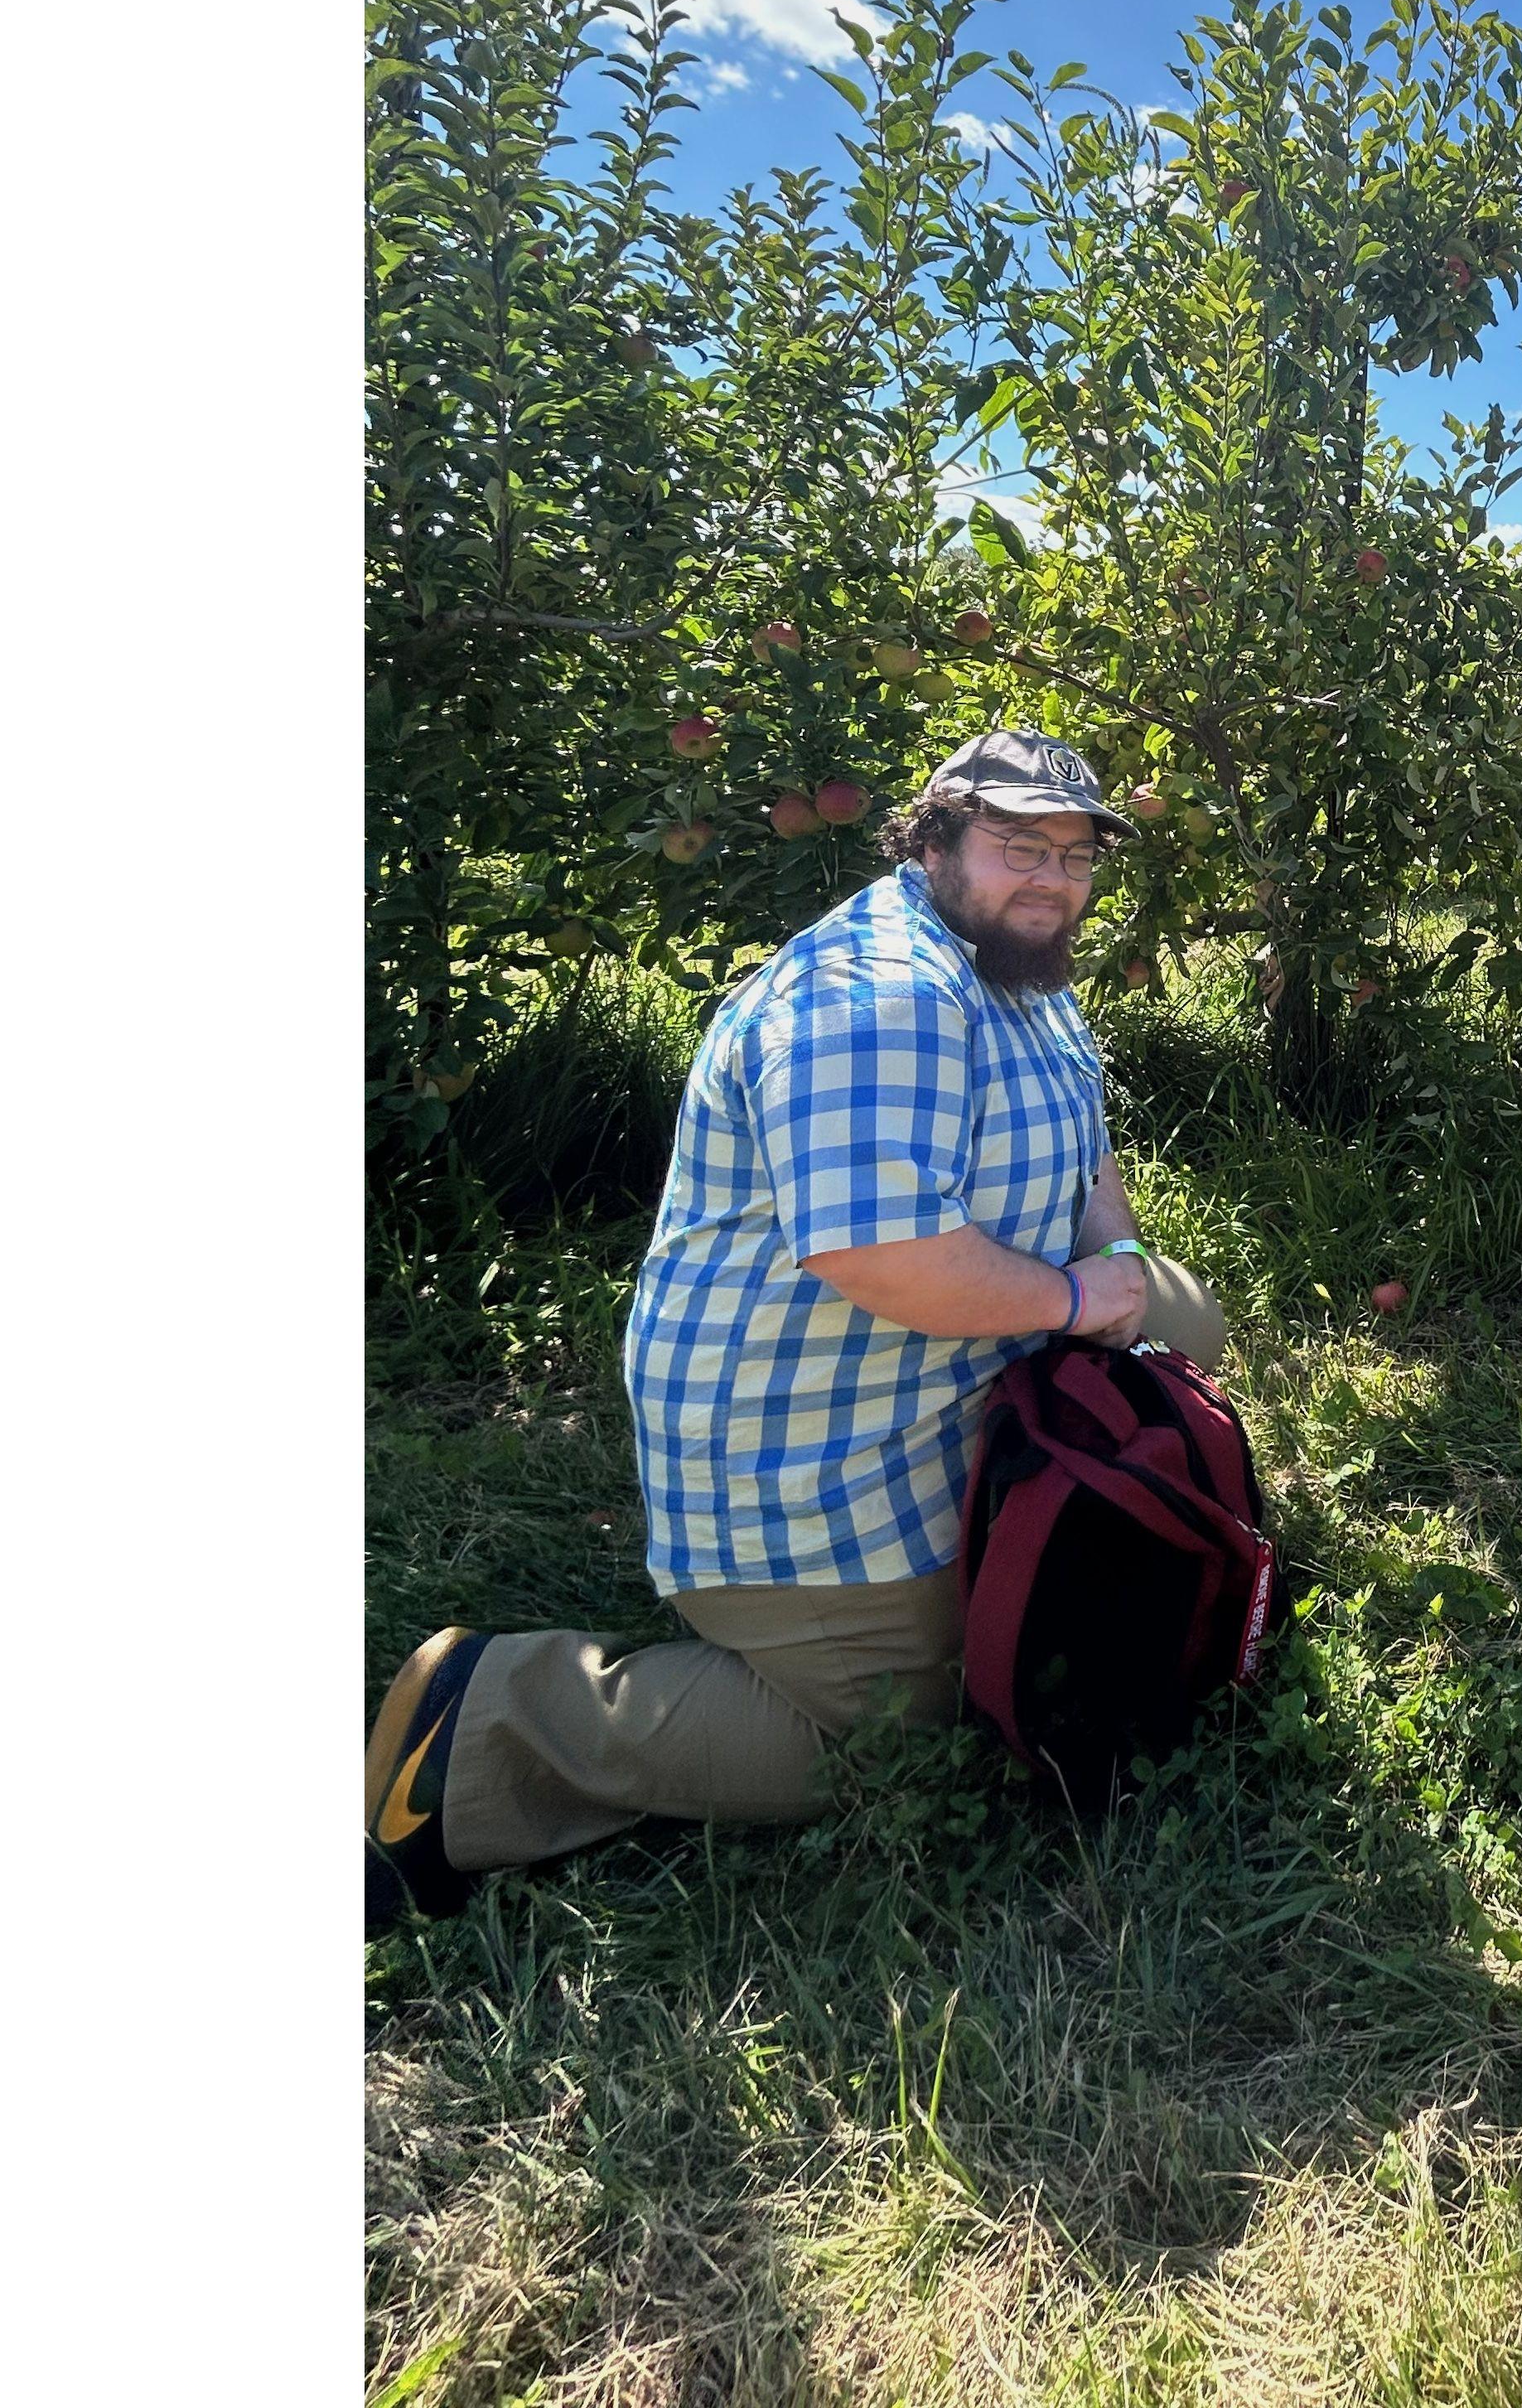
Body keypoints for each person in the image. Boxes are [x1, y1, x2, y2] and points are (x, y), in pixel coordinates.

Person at [365, 729, 1230, 1934]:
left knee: (1190, 1319)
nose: (1053, 877)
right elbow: (878, 1252)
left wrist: (1122, 1270)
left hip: (948, 1368)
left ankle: (1058, 1480)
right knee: (928, 1739)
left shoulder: (1023, 966)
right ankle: (503, 1713)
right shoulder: (877, 997)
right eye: (1018, 843)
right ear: (931, 839)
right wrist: (1081, 1308)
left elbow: (1087, 1153)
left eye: (1076, 854)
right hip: (810, 1450)